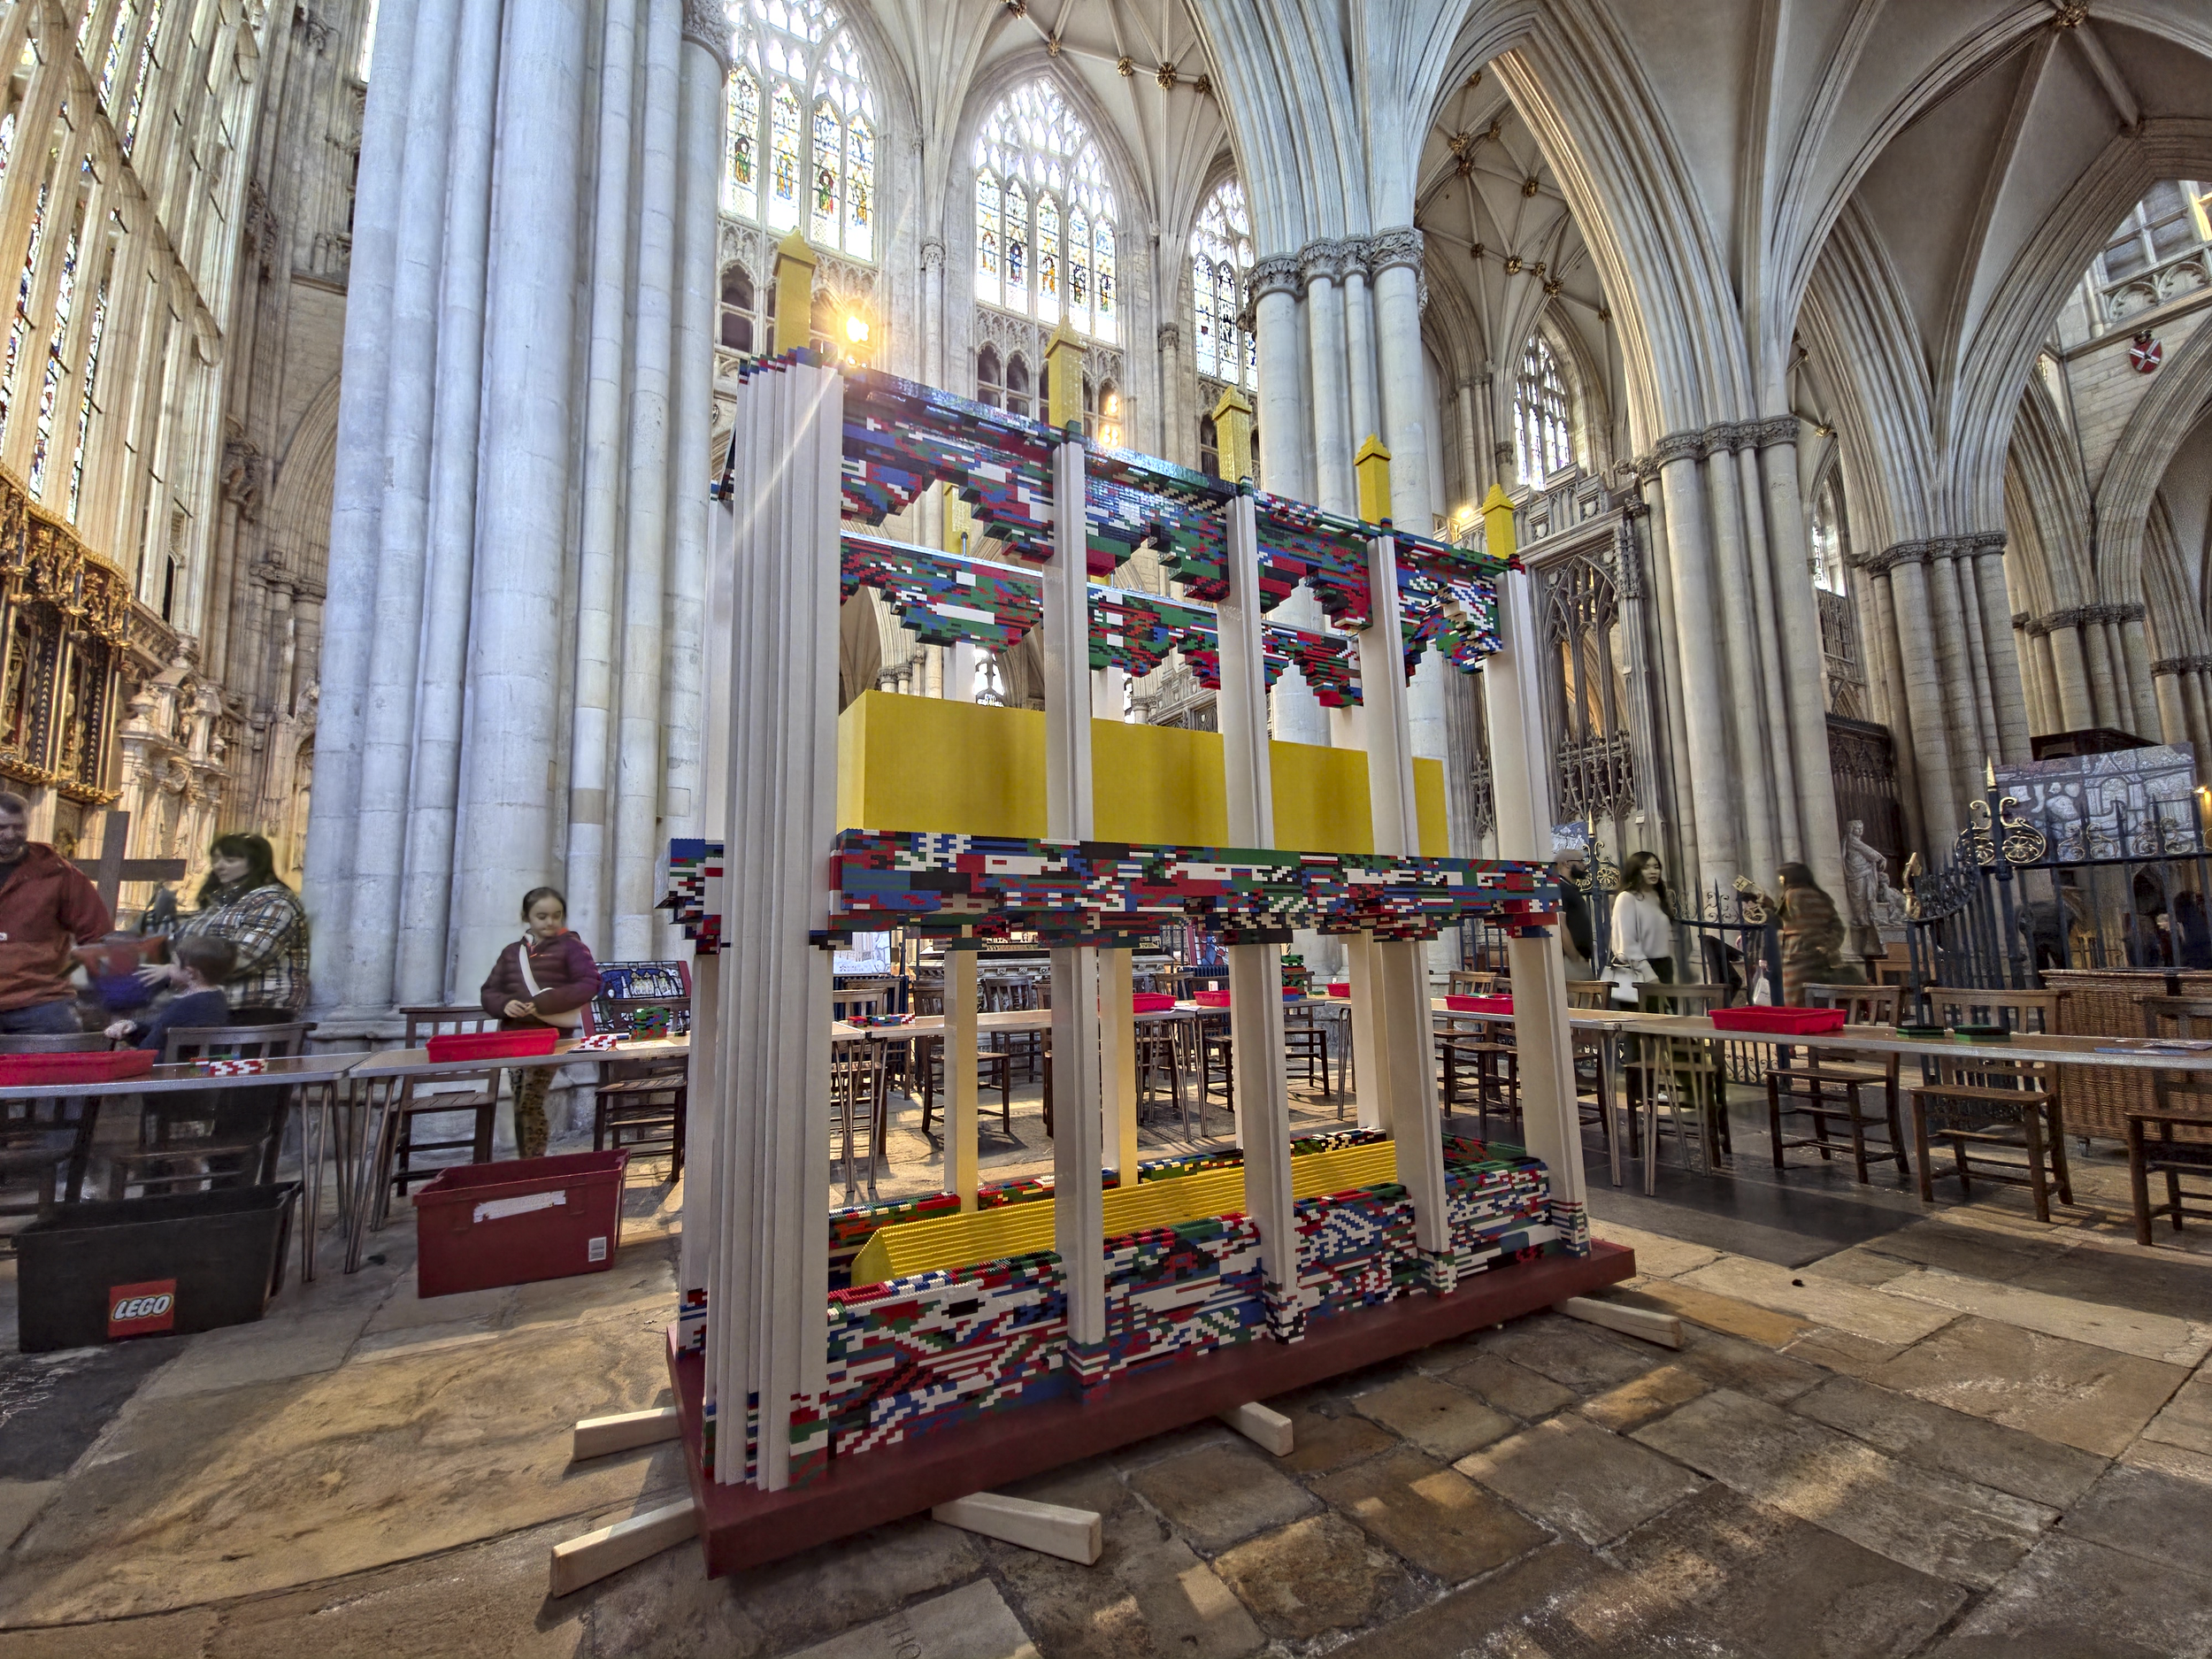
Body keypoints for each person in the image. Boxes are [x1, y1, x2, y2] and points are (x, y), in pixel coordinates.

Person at [479, 887, 602, 1160]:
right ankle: (529, 1160)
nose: (550, 922)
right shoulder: (511, 953)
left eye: (556, 915)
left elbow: (589, 982)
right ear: (526, 917)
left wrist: (545, 1001)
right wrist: (504, 1004)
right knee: (521, 1102)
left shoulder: (572, 947)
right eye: (542, 916)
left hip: (549, 1038)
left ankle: (533, 1162)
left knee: (529, 1100)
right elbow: (490, 991)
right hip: (514, 1038)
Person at [143, 833, 310, 1019]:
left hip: (253, 1007)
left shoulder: (275, 902)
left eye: (230, 860)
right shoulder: (217, 905)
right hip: (205, 1004)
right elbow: (183, 946)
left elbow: (246, 957)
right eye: (216, 859)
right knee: (135, 1023)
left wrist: (176, 970)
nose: (219, 866)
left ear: (255, 863)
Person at [0, 792, 111, 1034]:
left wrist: (94, 992)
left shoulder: (58, 874)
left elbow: (98, 934)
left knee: (60, 1055)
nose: (10, 835)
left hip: (41, 1002)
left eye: (18, 827)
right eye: (2, 828)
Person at [1746, 863, 1858, 1005]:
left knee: (1796, 1001)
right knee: (1817, 1000)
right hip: (1821, 958)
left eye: (1782, 877)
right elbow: (1837, 926)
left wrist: (1766, 910)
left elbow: (1785, 924)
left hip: (1798, 957)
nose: (1780, 880)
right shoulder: (1820, 896)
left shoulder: (1794, 894)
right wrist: (1828, 946)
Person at [105, 935, 235, 1052]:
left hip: (166, 1067)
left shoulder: (186, 1006)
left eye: (173, 964)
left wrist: (132, 1054)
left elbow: (152, 1045)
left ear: (190, 973)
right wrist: (133, 1027)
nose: (168, 967)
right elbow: (163, 1031)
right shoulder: (216, 998)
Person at [1609, 849, 1676, 987]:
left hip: (1663, 966)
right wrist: (1650, 976)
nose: (1653, 871)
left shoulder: (1657, 896)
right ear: (1635, 871)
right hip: (1640, 970)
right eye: (1646, 867)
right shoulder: (1627, 898)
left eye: (1656, 867)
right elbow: (1627, 944)